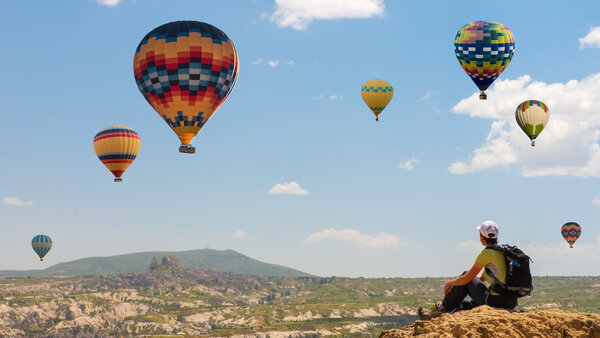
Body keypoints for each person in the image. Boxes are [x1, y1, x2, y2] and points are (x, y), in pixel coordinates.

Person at [417, 221, 518, 320]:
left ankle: (440, 310)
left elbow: (467, 278)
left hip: (496, 301)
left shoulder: (486, 254)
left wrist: (449, 283)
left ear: (482, 237)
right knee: (464, 304)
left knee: (465, 275)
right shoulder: (503, 251)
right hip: (510, 302)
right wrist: (460, 284)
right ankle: (445, 311)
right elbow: (480, 278)